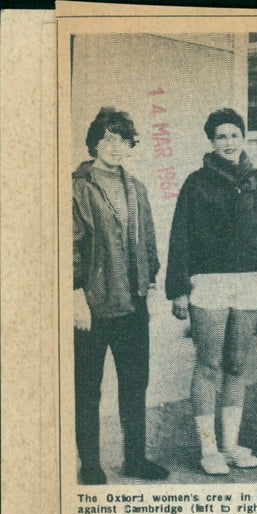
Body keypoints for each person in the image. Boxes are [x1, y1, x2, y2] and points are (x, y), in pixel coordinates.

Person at [166, 108, 257, 474]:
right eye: (221, 136)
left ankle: (231, 444)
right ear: (211, 141)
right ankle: (209, 451)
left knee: (237, 365)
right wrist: (179, 289)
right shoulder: (196, 183)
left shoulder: (256, 181)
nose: (228, 142)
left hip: (250, 281)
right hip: (209, 282)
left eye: (234, 135)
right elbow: (180, 236)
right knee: (209, 364)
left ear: (243, 138)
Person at [72, 107, 168, 485]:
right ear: (95, 141)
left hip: (133, 304)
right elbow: (70, 245)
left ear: (131, 145)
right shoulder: (77, 186)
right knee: (88, 388)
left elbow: (148, 241)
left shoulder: (137, 187)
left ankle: (135, 459)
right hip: (93, 305)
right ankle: (91, 465)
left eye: (123, 139)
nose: (115, 146)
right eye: (108, 137)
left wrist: (152, 283)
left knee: (134, 383)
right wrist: (75, 295)